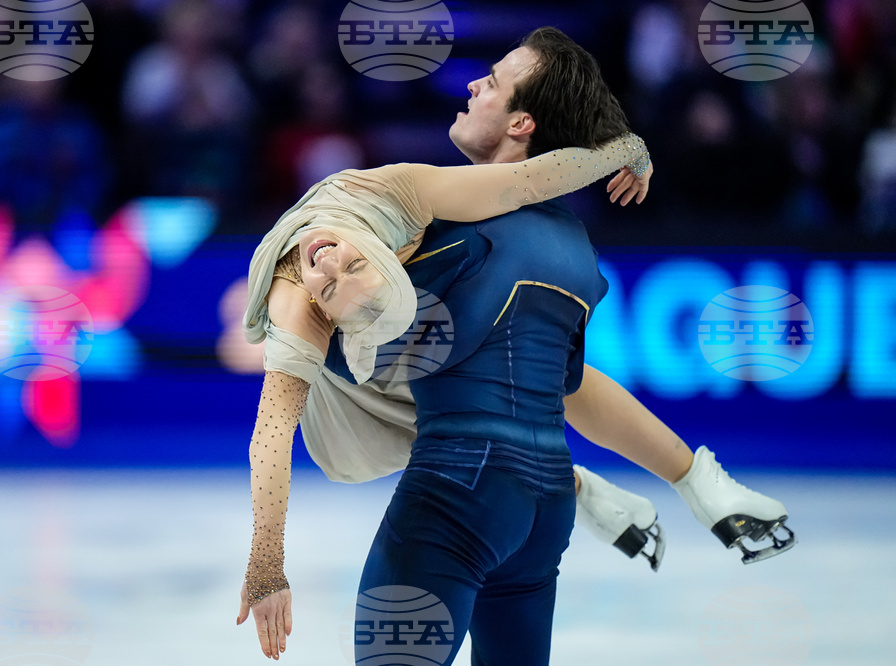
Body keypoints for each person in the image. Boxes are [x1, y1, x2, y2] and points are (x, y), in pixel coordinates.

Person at [236, 27, 794, 663]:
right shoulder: (564, 240)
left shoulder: (434, 232)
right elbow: (570, 385)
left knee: (409, 370)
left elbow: (276, 430)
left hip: (452, 490)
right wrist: (694, 480)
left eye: (493, 81)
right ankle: (615, 485)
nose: (473, 83)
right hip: (543, 499)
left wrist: (266, 567)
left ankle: (609, 486)